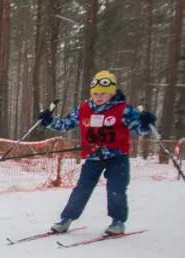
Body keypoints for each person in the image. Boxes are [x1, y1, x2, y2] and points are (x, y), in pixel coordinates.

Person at [37, 70, 157, 235]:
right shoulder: (84, 109)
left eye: (104, 93)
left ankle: (118, 221)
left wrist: (145, 123)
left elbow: (139, 130)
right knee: (82, 189)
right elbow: (64, 125)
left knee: (116, 189)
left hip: (117, 157)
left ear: (112, 93)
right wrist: (48, 120)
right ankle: (67, 219)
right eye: (96, 93)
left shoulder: (123, 109)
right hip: (93, 157)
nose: (99, 96)